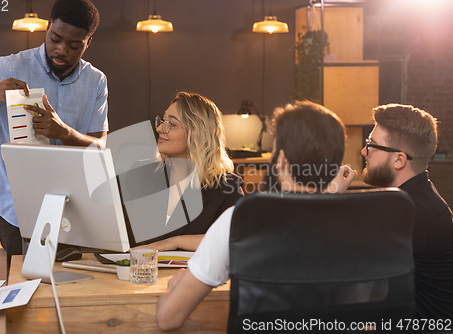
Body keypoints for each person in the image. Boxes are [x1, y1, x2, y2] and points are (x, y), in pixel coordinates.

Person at [156, 101, 348, 331]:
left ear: (281, 160)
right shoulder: (361, 227)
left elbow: (168, 319)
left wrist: (175, 287)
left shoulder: (239, 222)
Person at [0, 0, 107, 260]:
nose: (61, 50)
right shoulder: (8, 67)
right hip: (14, 210)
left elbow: (99, 148)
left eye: (74, 45)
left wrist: (65, 133)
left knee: (72, 287)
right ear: (47, 29)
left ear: (88, 42)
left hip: (73, 210)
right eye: (55, 39)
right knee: (24, 286)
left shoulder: (96, 81)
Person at [360, 104, 453, 321]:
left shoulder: (412, 213)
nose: (364, 151)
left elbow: (342, 266)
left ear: (399, 160)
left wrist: (327, 193)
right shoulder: (416, 198)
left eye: (371, 145)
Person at [124, 92, 243, 252]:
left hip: (188, 276)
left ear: (197, 133)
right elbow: (115, 234)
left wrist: (176, 242)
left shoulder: (227, 188)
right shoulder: (140, 175)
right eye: (162, 121)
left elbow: (235, 238)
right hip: (138, 275)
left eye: (171, 124)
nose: (160, 128)